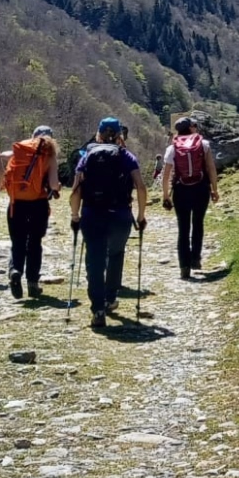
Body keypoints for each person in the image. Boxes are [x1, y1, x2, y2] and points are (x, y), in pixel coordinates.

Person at [69, 116, 148, 329]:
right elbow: (141, 187)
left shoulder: (87, 156)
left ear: (99, 134)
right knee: (115, 254)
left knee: (94, 261)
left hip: (92, 214)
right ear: (120, 135)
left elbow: (76, 190)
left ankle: (97, 309)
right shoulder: (127, 157)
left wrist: (75, 215)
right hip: (120, 215)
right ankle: (110, 298)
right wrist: (141, 215)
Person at [3, 124, 61, 300]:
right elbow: (53, 184)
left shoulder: (21, 149)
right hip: (38, 204)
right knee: (35, 242)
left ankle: (15, 270)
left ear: (33, 136)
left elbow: (5, 160)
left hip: (16, 203)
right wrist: (57, 187)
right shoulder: (50, 154)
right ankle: (33, 283)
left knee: (18, 241)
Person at [159, 117, 218, 278]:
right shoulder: (204, 144)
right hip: (201, 189)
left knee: (183, 228)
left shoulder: (172, 148)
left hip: (181, 190)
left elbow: (166, 175)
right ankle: (195, 259)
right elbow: (211, 168)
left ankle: (184, 267)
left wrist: (165, 195)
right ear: (191, 128)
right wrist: (214, 189)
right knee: (198, 223)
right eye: (194, 126)